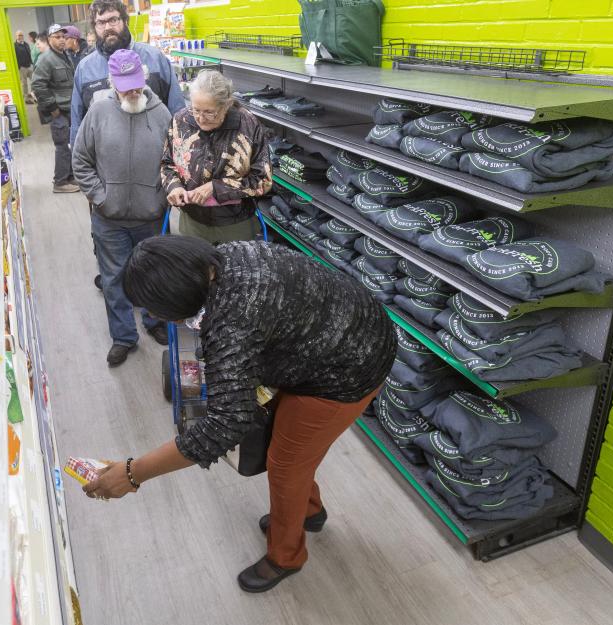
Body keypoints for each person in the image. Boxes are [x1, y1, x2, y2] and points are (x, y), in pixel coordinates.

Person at [82, 236, 396, 592]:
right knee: (291, 451)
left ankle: (286, 556)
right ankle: (309, 512)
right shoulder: (227, 254)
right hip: (343, 334)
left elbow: (224, 424)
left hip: (348, 371)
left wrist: (132, 473)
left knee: (286, 465)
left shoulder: (230, 324)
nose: (153, 317)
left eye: (153, 310)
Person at [72, 49, 172, 365]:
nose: (132, 91)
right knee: (113, 279)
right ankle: (124, 337)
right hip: (109, 218)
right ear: (113, 82)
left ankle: (155, 321)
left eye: (137, 83)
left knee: (154, 276)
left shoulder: (162, 115)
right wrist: (100, 197)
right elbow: (80, 160)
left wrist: (160, 198)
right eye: (125, 84)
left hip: (151, 217)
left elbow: (173, 163)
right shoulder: (98, 113)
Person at [162, 70, 273, 243]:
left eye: (209, 112)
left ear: (226, 106)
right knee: (196, 269)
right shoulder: (180, 121)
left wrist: (217, 188)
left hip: (235, 225)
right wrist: (174, 186)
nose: (200, 118)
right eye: (195, 109)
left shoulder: (248, 125)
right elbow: (167, 164)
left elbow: (263, 180)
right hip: (192, 222)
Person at [70, 0, 185, 147]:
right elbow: (77, 124)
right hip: (107, 164)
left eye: (113, 20)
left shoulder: (156, 59)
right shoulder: (85, 69)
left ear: (125, 20)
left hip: (155, 159)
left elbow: (178, 112)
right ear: (94, 27)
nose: (107, 27)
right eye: (101, 22)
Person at [32, 24, 79, 194]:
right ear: (49, 39)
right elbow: (37, 85)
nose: (61, 40)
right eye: (57, 37)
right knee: (62, 146)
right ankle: (59, 182)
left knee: (71, 144)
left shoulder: (65, 55)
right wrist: (52, 107)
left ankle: (70, 176)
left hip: (69, 108)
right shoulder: (46, 59)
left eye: (63, 37)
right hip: (59, 111)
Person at [14, 30, 34, 104]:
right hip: (22, 68)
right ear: (16, 36)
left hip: (29, 66)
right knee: (24, 84)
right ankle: (26, 99)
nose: (20, 37)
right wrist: (18, 67)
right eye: (19, 35)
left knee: (34, 81)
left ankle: (33, 95)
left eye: (21, 35)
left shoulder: (26, 44)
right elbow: (15, 57)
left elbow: (29, 54)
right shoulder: (15, 46)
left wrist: (31, 63)